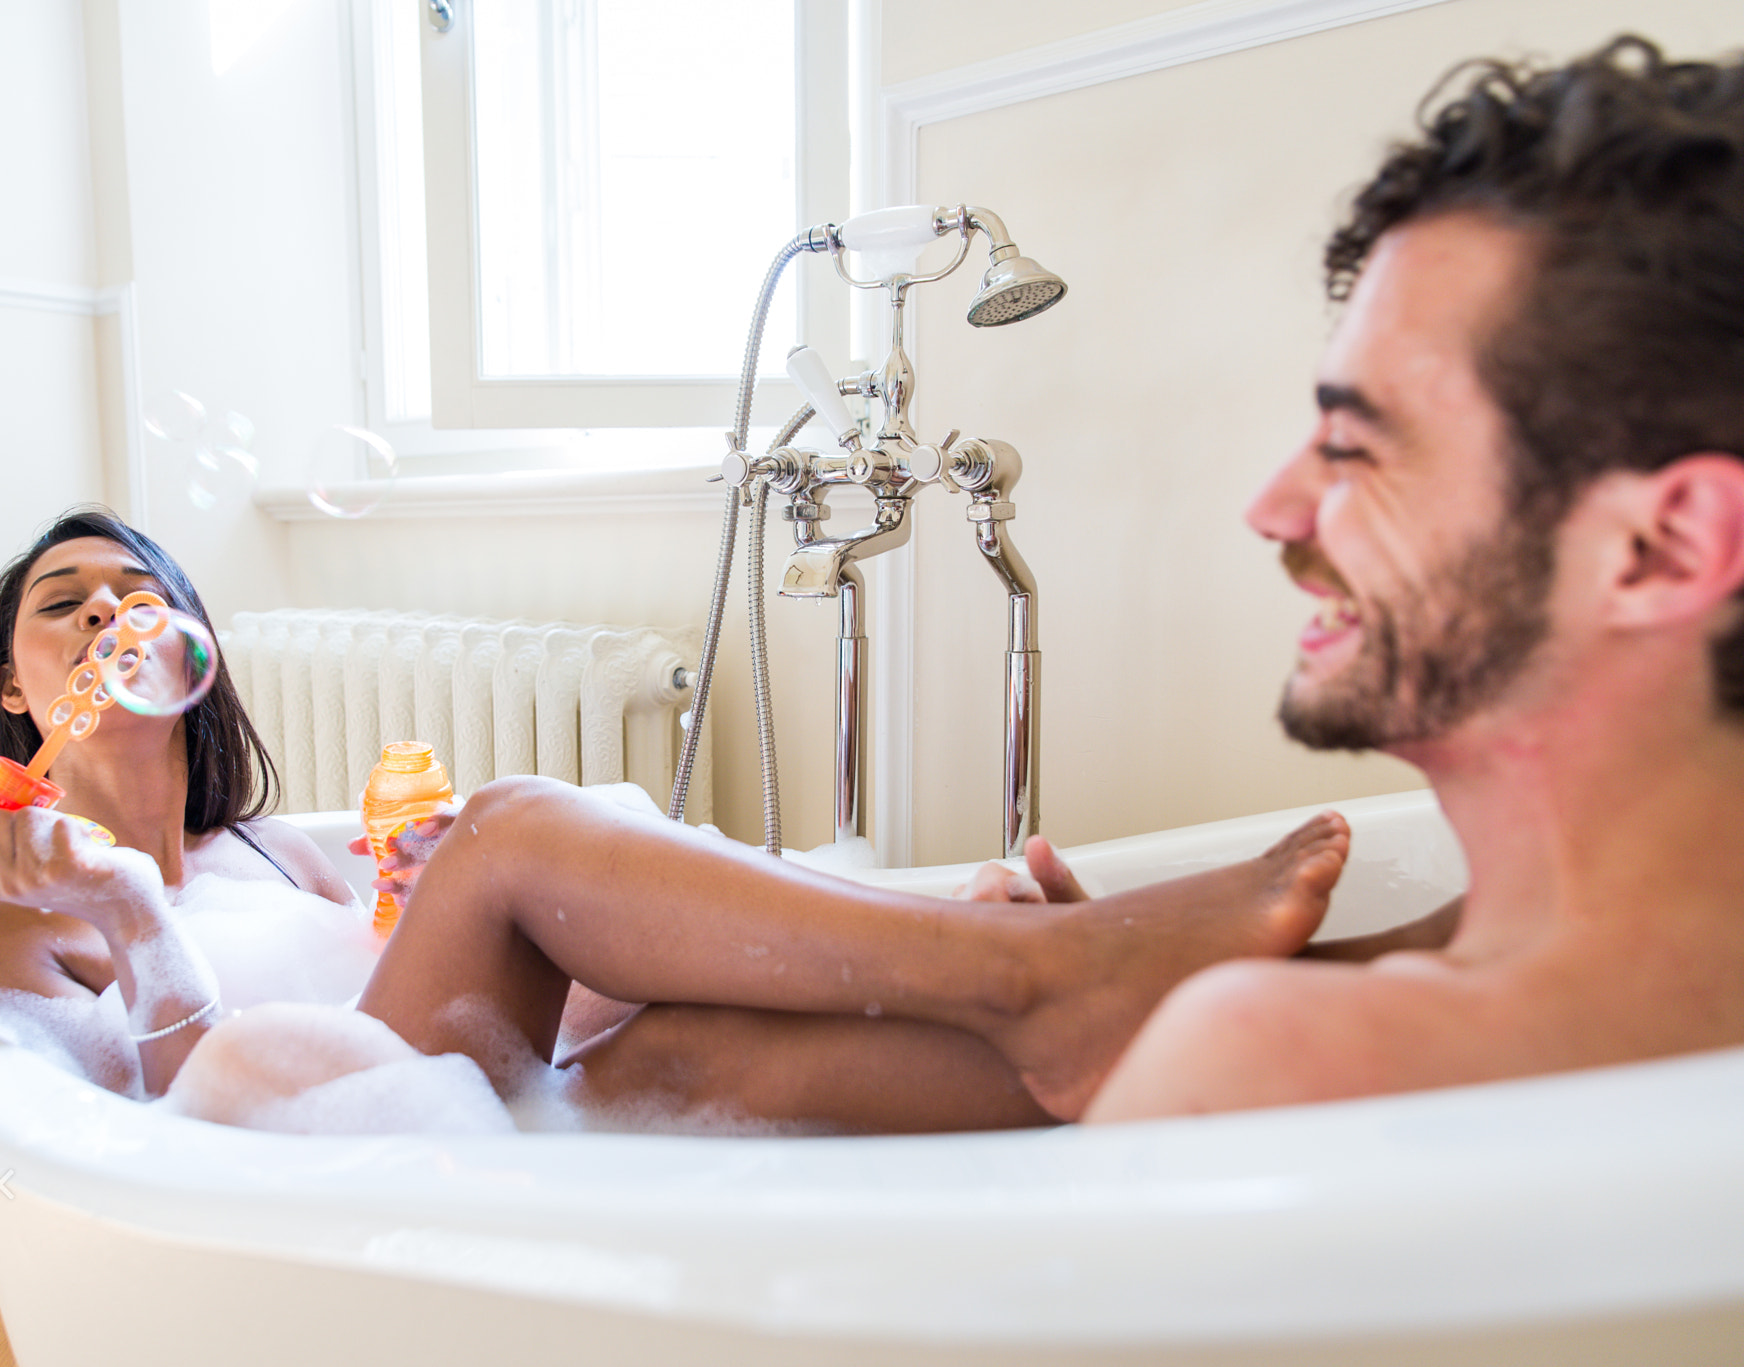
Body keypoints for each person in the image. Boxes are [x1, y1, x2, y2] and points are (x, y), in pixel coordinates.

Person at [196, 33, 1744, 1127]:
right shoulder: (1580, 963)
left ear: (1666, 544)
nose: (1274, 505)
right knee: (658, 1053)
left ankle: (1030, 973)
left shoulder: (1274, 1055)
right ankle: (1030, 973)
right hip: (657, 1119)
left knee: (521, 841)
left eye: (1361, 445)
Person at [0, 508, 1351, 1126]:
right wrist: (130, 910)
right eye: (68, 604)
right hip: (318, 1176)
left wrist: (428, 903)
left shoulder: (274, 851)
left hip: (470, 1108)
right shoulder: (8, 915)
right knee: (514, 822)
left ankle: (1340, 1002)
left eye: (142, 593)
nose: (114, 612)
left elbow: (488, 1004)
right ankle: (1040, 974)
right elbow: (160, 1136)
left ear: (196, 645)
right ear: (13, 680)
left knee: (706, 1051)